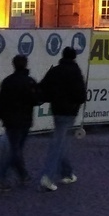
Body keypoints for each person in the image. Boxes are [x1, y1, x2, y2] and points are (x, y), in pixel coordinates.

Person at [38, 46, 86, 192]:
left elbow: (43, 87)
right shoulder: (75, 72)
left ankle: (67, 173)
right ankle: (48, 176)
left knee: (61, 140)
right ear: (74, 57)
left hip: (57, 110)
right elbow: (81, 95)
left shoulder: (55, 70)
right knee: (58, 143)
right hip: (70, 111)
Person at [0, 54, 40, 193]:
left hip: (10, 121)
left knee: (15, 150)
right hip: (24, 121)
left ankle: (23, 175)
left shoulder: (7, 81)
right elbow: (36, 100)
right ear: (26, 64)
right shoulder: (29, 81)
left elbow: (0, 103)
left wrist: (2, 118)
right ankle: (1, 180)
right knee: (14, 151)